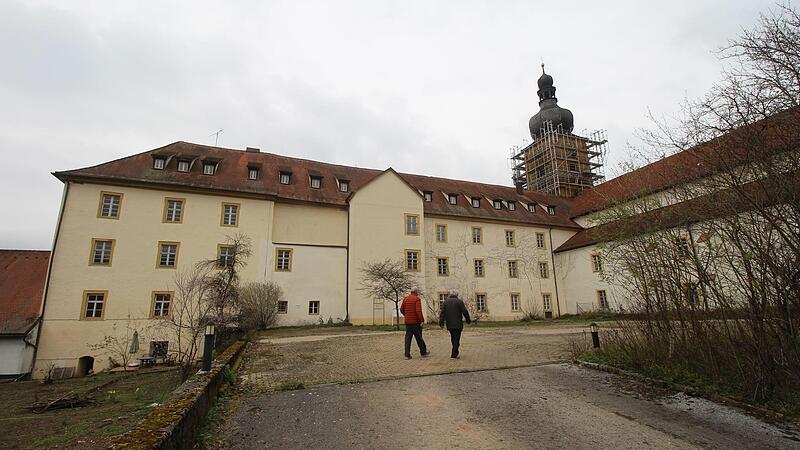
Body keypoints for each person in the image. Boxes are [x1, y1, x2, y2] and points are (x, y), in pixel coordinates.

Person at [439, 291, 471, 358]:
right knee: (456, 338)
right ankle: (454, 353)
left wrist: (441, 323)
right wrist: (468, 320)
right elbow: (465, 311)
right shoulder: (459, 302)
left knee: (453, 338)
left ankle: (455, 351)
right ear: (457, 295)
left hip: (449, 323)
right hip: (458, 323)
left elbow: (442, 313)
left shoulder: (446, 302)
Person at [400, 288, 428, 359]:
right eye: (418, 291)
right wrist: (422, 320)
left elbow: (401, 309)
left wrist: (406, 315)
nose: (418, 293)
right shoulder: (417, 299)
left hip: (408, 322)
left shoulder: (405, 299)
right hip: (415, 322)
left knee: (408, 338)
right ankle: (423, 352)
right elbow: (418, 311)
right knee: (419, 338)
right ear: (416, 292)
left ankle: (407, 355)